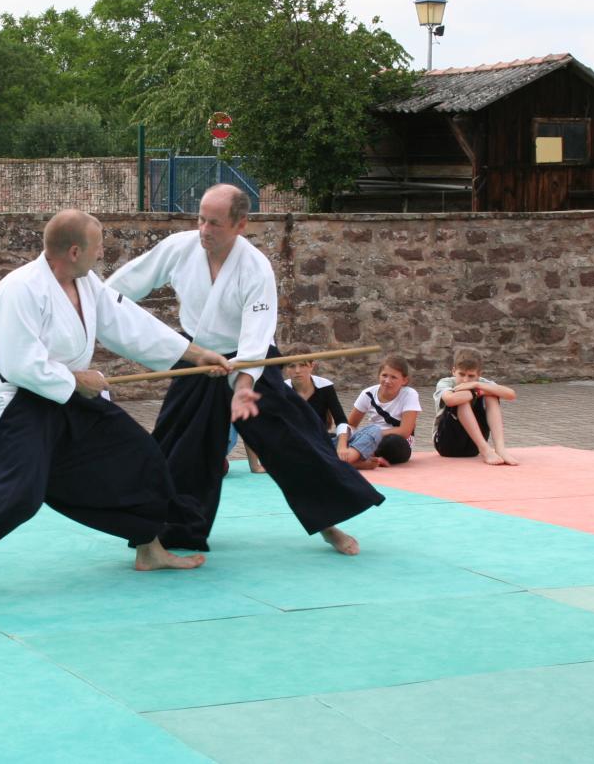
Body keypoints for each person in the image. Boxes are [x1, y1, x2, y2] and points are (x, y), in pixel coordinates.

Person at [0, 209, 230, 597]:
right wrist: (73, 379)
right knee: (16, 496)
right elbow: (20, 361)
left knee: (142, 457)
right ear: (75, 251)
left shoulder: (87, 284)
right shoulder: (18, 289)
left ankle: (149, 548)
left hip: (73, 398)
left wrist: (194, 354)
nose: (103, 251)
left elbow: (129, 324)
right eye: (99, 244)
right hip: (24, 401)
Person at [106, 184, 385, 554]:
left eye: (215, 223)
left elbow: (257, 333)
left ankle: (328, 523)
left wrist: (243, 383)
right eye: (201, 219)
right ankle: (166, 533)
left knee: (293, 441)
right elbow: (120, 287)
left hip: (249, 361)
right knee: (177, 447)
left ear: (240, 225)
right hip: (196, 360)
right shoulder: (178, 248)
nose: (204, 229)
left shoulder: (255, 267)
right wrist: (93, 309)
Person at [432, 347, 519, 465]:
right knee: (461, 398)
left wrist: (478, 385)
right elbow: (450, 400)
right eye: (461, 374)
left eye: (471, 376)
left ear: (479, 374)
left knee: (491, 396)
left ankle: (500, 449)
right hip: (447, 444)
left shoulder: (481, 383)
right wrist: (475, 392)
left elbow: (511, 395)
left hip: (473, 447)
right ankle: (486, 450)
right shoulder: (446, 382)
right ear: (453, 371)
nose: (465, 380)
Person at [339, 355, 421, 469]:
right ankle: (356, 459)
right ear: (378, 376)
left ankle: (354, 457)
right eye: (384, 375)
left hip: (397, 442)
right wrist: (343, 443)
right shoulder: (368, 394)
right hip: (369, 439)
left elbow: (405, 431)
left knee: (392, 443)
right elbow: (351, 424)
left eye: (393, 377)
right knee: (333, 437)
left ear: (404, 380)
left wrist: (373, 434)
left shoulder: (410, 394)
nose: (387, 381)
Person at [283, 348, 349, 435]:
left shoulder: (325, 386)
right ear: (286, 369)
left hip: (321, 440)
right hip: (293, 442)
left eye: (302, 365)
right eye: (292, 366)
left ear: (312, 366)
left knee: (371, 431)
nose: (297, 371)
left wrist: (342, 445)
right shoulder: (281, 389)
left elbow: (341, 420)